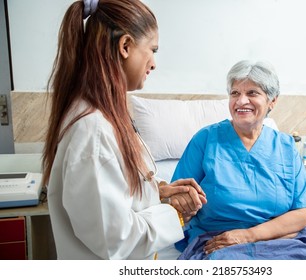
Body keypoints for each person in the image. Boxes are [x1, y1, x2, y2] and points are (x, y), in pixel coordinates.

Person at [42, 0, 205, 260]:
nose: (154, 63)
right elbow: (114, 237)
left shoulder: (105, 116)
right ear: (126, 46)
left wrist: (157, 192)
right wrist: (174, 213)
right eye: (152, 49)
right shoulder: (92, 131)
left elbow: (115, 195)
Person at [171, 60, 306, 260]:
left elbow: (302, 214)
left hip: (281, 241)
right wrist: (183, 206)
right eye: (235, 93)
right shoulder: (205, 140)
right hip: (220, 241)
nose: (241, 101)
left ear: (272, 101)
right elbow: (176, 198)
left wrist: (249, 235)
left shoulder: (285, 146)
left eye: (252, 93)